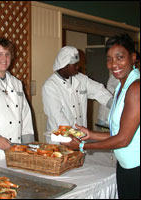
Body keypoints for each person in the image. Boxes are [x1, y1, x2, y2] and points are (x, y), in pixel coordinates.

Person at [62, 34, 140, 199]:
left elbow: (123, 139)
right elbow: (119, 132)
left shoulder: (136, 88)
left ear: (133, 57)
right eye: (110, 59)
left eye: (120, 57)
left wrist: (84, 146)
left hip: (136, 167)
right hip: (125, 165)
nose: (114, 65)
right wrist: (91, 135)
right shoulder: (122, 86)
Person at [42, 46, 113, 135]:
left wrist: (114, 105)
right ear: (65, 65)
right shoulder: (50, 86)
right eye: (75, 64)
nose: (78, 66)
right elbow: (57, 116)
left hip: (80, 135)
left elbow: (98, 90)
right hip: (60, 137)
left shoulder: (81, 79)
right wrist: (73, 134)